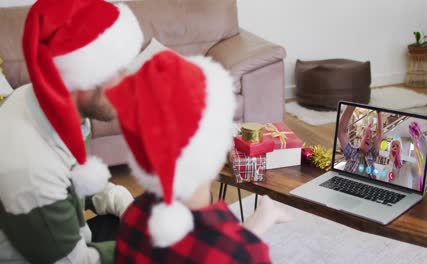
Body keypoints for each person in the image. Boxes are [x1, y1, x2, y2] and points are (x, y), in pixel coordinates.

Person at [106, 50, 291, 263]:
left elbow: (212, 245)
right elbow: (230, 251)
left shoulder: (134, 215)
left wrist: (261, 220)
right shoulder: (245, 254)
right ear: (217, 148)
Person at [0, 0, 144, 263]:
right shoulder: (32, 171)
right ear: (84, 77)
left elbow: (78, 180)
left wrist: (126, 205)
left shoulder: (50, 106)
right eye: (118, 70)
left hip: (63, 236)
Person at [338, 106, 383, 178]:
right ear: (360, 139)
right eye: (366, 135)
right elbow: (341, 131)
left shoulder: (372, 155)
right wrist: (352, 104)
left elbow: (379, 135)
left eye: (371, 137)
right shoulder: (352, 152)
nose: (369, 138)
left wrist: (379, 112)